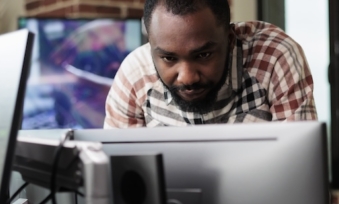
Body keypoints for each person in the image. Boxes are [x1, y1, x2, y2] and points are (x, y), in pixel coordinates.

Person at [104, 0, 317, 127]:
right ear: (151, 47)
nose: (187, 77)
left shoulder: (274, 58)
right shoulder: (134, 76)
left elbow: (302, 174)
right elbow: (117, 186)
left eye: (203, 55)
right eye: (169, 58)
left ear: (231, 40)